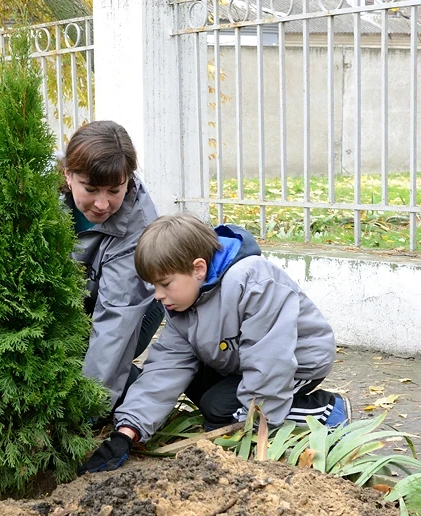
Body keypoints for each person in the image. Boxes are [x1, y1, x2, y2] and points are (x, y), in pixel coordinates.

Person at [77, 213, 350, 474]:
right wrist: (127, 433)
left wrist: (251, 423)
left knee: (219, 409)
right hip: (238, 359)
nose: (158, 296)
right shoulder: (182, 301)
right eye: (153, 286)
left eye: (164, 284)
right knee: (195, 385)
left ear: (198, 268)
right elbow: (166, 369)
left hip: (300, 361)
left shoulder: (252, 281)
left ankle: (327, 409)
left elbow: (271, 360)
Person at [62, 120, 164, 411]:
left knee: (99, 356)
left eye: (114, 191)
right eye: (91, 189)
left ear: (128, 179)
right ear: (69, 176)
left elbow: (115, 321)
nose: (103, 204)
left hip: (134, 306)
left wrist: (87, 411)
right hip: (81, 297)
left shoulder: (139, 225)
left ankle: (131, 395)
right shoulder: (39, 197)